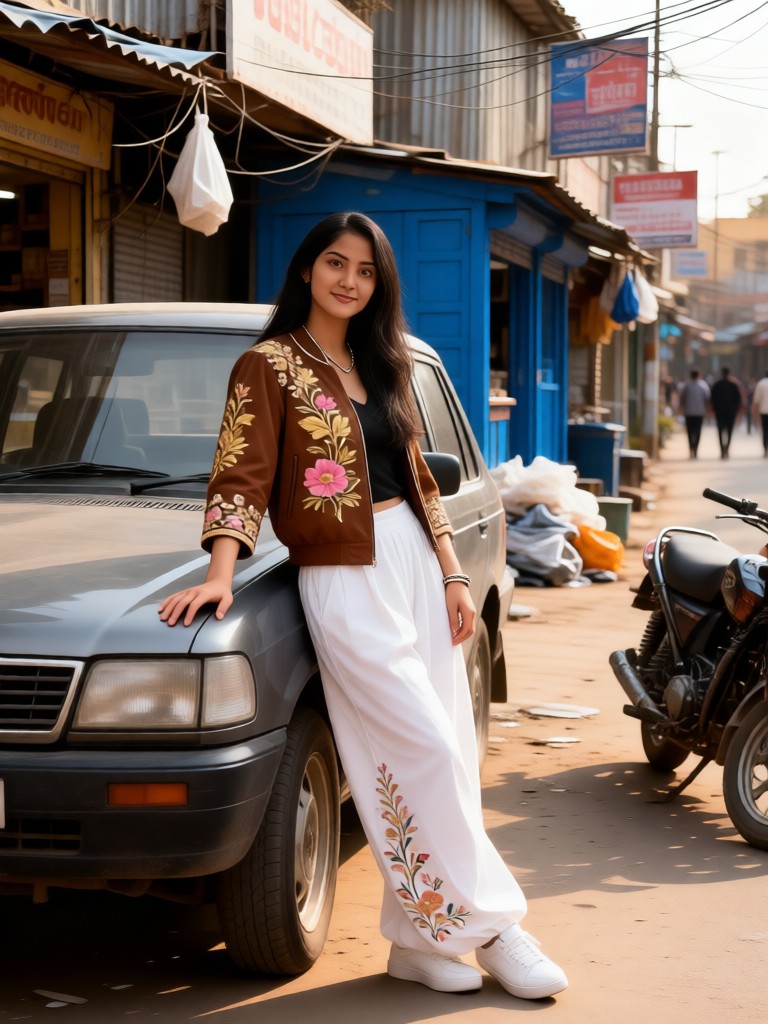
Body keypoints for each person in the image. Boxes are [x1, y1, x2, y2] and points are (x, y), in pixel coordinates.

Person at [158, 212, 568, 1000]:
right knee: (420, 747)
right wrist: (220, 568)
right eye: (335, 263)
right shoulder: (268, 365)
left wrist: (452, 573)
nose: (349, 280)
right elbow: (240, 473)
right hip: (341, 575)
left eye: (366, 270)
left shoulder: (385, 363)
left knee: (444, 740)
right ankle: (493, 926)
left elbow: (415, 473)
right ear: (307, 268)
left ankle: (419, 942)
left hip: (416, 561)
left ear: (379, 284)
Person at [709, 366, 742, 458]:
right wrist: (737, 411)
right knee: (729, 431)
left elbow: (712, 399)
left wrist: (713, 409)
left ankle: (722, 450)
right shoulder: (733, 385)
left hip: (719, 412)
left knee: (720, 431)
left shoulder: (717, 385)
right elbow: (738, 400)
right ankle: (727, 449)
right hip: (731, 412)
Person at [677, 369, 710, 458]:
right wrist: (708, 411)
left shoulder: (686, 386)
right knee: (697, 431)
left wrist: (680, 409)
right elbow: (707, 400)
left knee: (690, 431)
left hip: (689, 412)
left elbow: (682, 400)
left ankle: (691, 447)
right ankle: (695, 449)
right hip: (699, 413)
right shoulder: (703, 386)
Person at [752, 368, 768, 457]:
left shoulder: (761, 383)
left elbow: (756, 401)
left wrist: (754, 414)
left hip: (764, 411)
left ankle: (765, 448)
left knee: (765, 431)